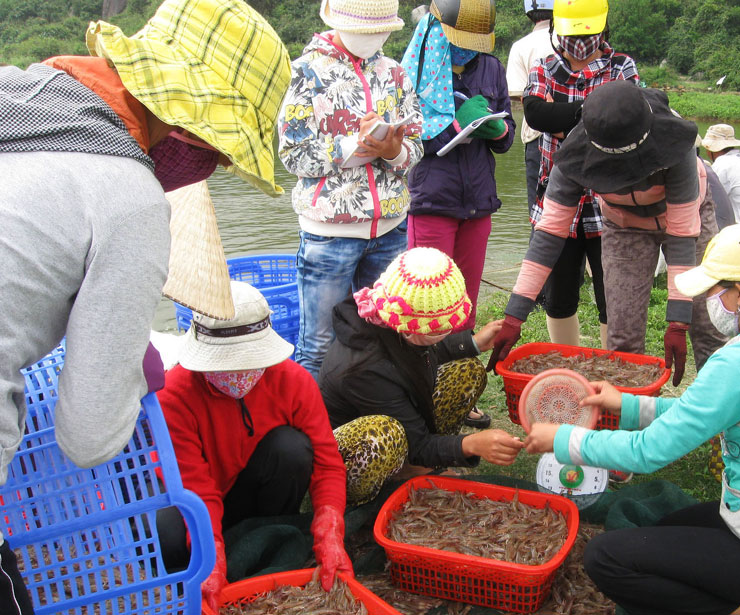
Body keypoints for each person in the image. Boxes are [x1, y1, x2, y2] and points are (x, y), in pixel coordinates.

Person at [0, 1, 290, 612]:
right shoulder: (129, 201)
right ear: (190, 129)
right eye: (219, 154)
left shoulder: (18, 93)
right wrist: (128, 375)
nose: (211, 168)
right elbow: (87, 437)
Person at [524, 223, 740, 615]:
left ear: (739, 294)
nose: (710, 300)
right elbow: (695, 414)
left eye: (714, 290)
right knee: (659, 534)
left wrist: (564, 439)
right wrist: (623, 404)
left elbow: (647, 453)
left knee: (605, 557)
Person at [487, 80, 728, 385]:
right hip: (624, 225)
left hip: (690, 217)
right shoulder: (574, 155)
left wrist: (678, 321)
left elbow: (682, 235)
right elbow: (548, 237)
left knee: (707, 322)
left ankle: (720, 412)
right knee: (622, 336)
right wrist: (514, 315)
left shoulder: (675, 143)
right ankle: (626, 421)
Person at [157, 282, 351, 611]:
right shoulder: (174, 395)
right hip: (196, 498)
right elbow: (195, 487)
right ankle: (209, 561)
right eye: (224, 362)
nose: (238, 372)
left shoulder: (294, 381)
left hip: (250, 487)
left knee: (292, 447)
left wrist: (329, 528)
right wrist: (212, 554)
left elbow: (327, 463)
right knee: (168, 531)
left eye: (248, 359)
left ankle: (266, 531)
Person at [278, 0, 423, 379]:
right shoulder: (306, 72)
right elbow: (292, 155)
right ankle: (317, 436)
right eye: (364, 31)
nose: (372, 40)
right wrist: (347, 148)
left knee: (389, 337)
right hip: (329, 236)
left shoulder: (394, 73)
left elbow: (417, 146)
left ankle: (380, 424)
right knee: (318, 345)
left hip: (390, 229)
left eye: (380, 32)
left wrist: (394, 151)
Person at [319, 248, 524, 505]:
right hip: (352, 456)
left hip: (402, 419)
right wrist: (469, 445)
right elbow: (415, 441)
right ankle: (377, 489)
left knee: (467, 371)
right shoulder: (365, 368)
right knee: (385, 434)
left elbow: (424, 350)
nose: (450, 329)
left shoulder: (392, 323)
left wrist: (472, 344)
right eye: (442, 328)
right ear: (413, 326)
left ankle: (416, 465)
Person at [520, 0, 638, 347]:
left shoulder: (621, 67)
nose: (579, 43)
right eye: (572, 35)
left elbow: (625, 118)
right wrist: (594, 114)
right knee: (559, 297)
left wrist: (566, 121)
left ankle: (609, 368)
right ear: (559, 30)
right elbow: (537, 114)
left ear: (602, 30)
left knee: (611, 295)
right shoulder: (545, 68)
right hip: (558, 206)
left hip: (610, 204)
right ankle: (567, 367)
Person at [401, 0, 516, 333]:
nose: (467, 50)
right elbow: (411, 141)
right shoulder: (419, 70)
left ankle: (460, 372)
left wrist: (498, 129)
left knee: (465, 301)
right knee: (427, 300)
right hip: (433, 201)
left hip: (479, 203)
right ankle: (424, 374)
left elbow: (505, 141)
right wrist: (454, 127)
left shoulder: (491, 68)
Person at [506, 0, 555, 218]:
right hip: (577, 130)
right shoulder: (568, 39)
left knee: (540, 213)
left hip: (536, 135)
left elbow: (517, 93)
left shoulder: (520, 46)